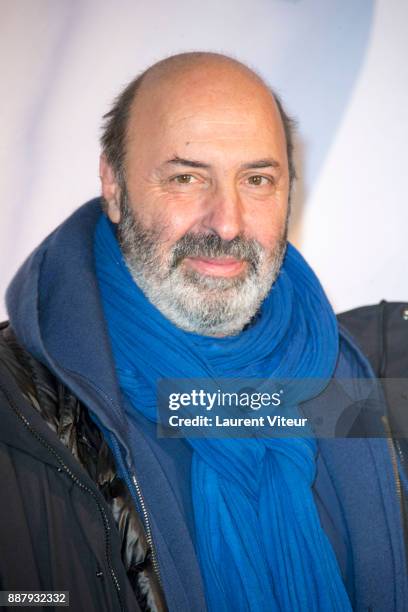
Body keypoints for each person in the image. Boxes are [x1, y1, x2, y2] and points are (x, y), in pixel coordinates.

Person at [0, 52, 406, 612]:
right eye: (187, 177)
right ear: (114, 186)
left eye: (257, 179)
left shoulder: (360, 388)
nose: (228, 222)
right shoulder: (16, 409)